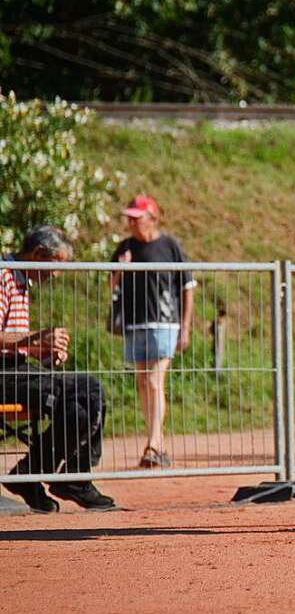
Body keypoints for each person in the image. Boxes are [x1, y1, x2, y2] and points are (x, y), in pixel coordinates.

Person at [1, 226, 116, 512]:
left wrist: (45, 352)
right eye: (54, 266)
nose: (56, 275)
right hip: (4, 374)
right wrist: (35, 338)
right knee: (87, 390)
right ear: (38, 254)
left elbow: (13, 343)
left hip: (16, 369)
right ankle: (63, 477)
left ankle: (49, 475)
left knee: (84, 401)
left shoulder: (20, 280)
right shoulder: (3, 276)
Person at [110, 195, 196, 468]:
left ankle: (155, 442)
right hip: (134, 323)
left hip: (165, 322)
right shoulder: (125, 247)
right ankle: (156, 442)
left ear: (152, 218)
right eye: (130, 218)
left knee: (155, 381)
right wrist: (120, 270)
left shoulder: (170, 246)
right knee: (143, 383)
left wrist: (186, 326)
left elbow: (188, 287)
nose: (132, 223)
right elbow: (111, 285)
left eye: (137, 217)